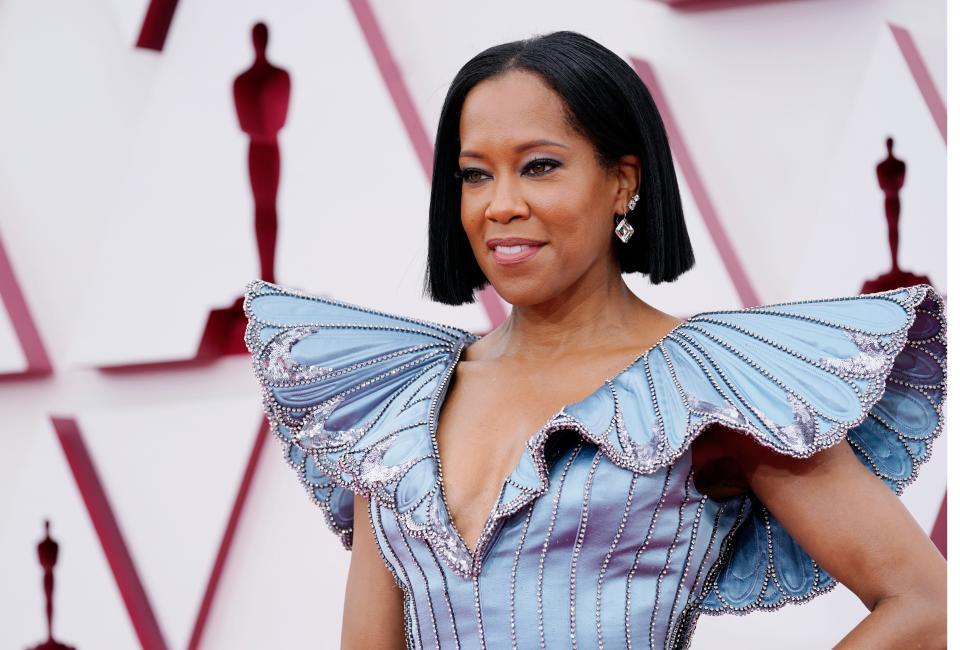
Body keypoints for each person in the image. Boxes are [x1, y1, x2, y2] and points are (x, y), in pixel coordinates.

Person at [242, 30, 946, 650]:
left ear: (622, 182)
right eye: (475, 174)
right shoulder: (393, 396)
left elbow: (927, 605)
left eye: (539, 165)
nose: (500, 203)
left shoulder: (713, 382)